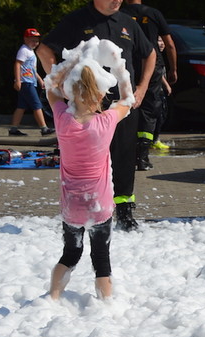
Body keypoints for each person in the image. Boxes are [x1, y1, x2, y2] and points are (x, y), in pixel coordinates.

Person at [37, 0, 156, 233]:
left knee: (124, 157)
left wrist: (141, 88)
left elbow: (150, 54)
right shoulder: (76, 20)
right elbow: (43, 49)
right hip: (87, 108)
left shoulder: (127, 23)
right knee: (87, 163)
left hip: (121, 105)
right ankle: (84, 209)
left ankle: (124, 211)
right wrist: (59, 83)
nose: (118, 0)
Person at [45, 55, 132, 300]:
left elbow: (50, 86)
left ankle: (53, 298)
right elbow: (128, 99)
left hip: (72, 205)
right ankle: (105, 305)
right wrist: (119, 66)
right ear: (101, 94)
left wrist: (68, 66)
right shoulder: (106, 121)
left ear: (70, 92)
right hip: (99, 204)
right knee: (101, 259)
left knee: (70, 254)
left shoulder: (62, 118)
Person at [121, 0, 177, 172]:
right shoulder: (153, 14)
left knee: (125, 106)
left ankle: (124, 155)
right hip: (151, 64)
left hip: (126, 63)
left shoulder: (118, 13)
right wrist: (173, 69)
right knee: (149, 109)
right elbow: (170, 45)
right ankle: (142, 158)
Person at [9, 28, 53, 137]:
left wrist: (39, 80)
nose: (35, 43)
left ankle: (13, 129)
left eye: (36, 41)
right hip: (25, 82)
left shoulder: (30, 52)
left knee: (21, 106)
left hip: (30, 81)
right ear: (25, 39)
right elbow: (17, 64)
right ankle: (44, 128)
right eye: (32, 40)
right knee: (37, 105)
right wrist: (18, 80)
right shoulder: (24, 50)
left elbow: (32, 69)